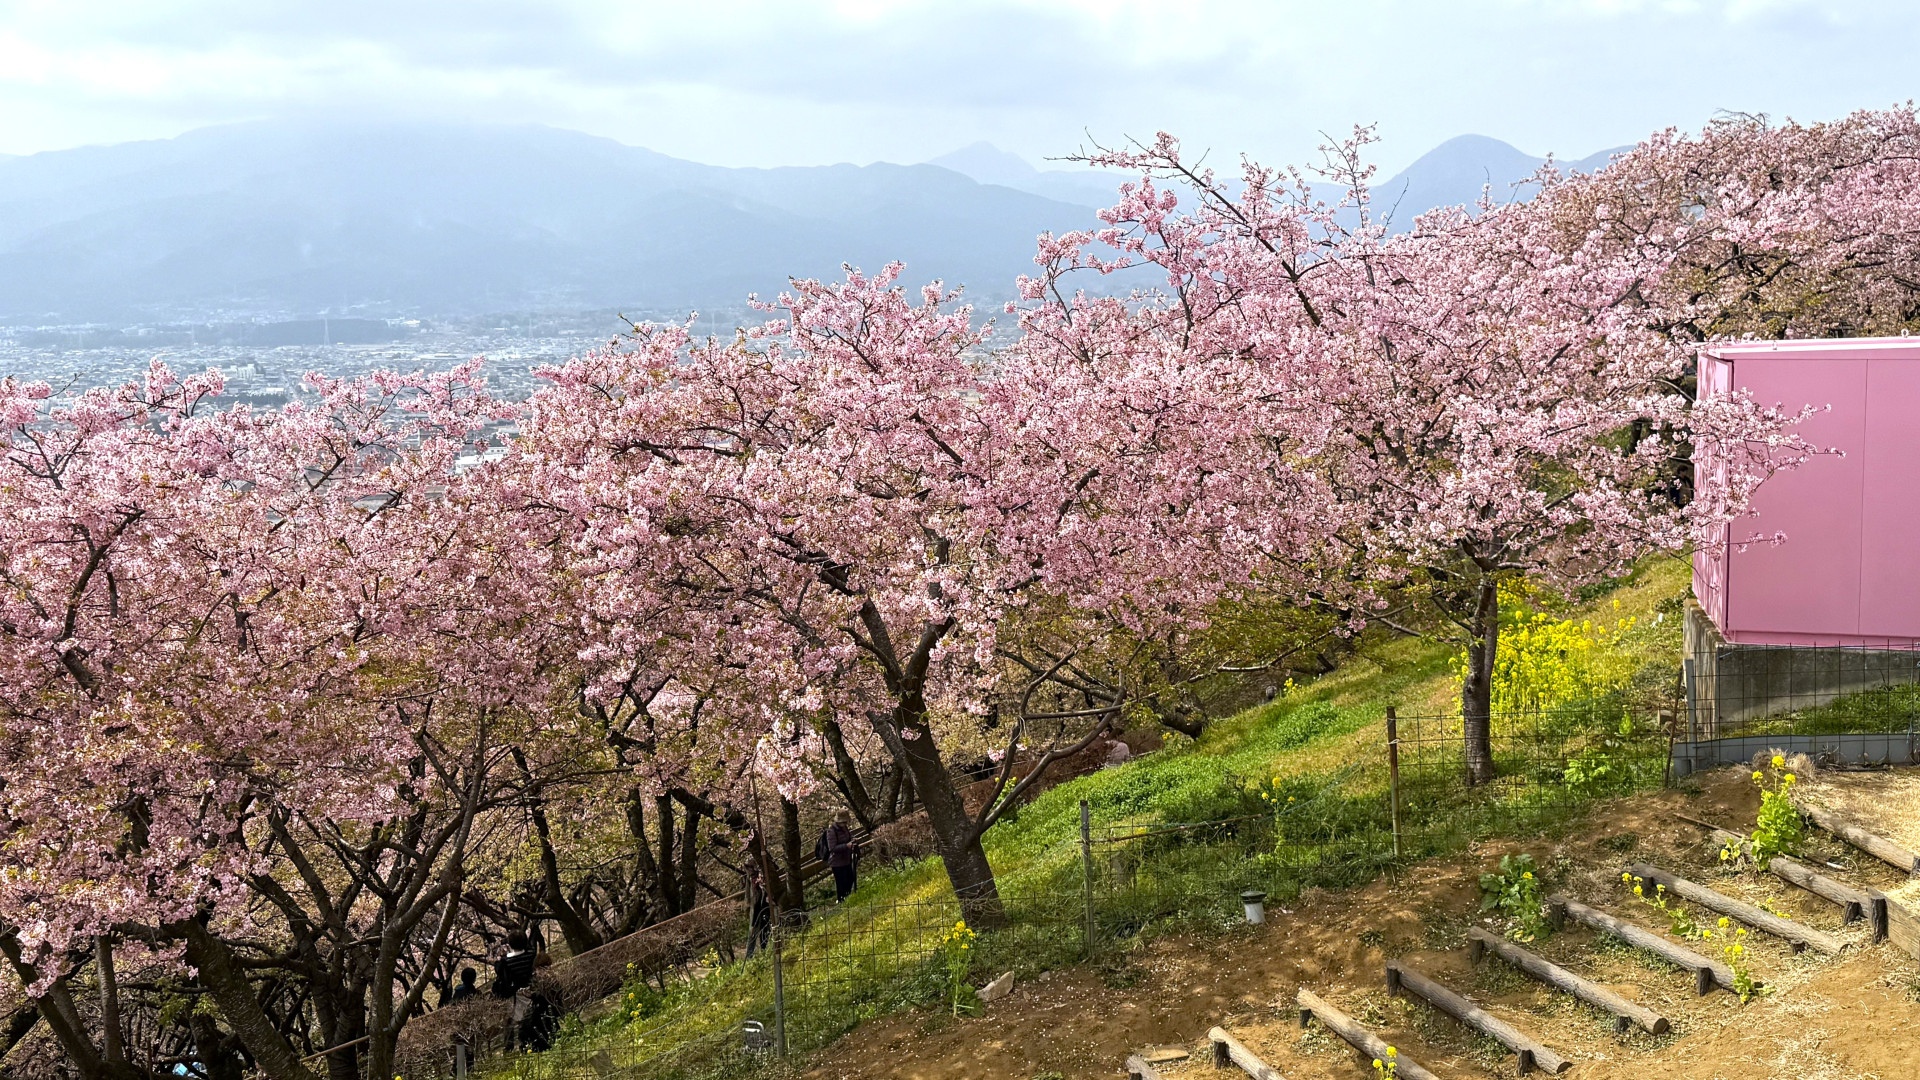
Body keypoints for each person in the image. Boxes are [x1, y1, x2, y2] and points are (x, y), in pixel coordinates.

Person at [491, 932, 537, 1049]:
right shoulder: (531, 956)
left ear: (510, 944)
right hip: (532, 991)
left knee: (512, 1022)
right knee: (531, 1018)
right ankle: (531, 1042)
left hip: (515, 995)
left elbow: (502, 978)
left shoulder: (505, 962)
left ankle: (510, 1048)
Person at [824, 812, 857, 902]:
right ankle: (842, 900)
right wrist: (846, 846)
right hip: (837, 862)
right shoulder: (831, 831)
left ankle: (848, 897)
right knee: (841, 883)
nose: (845, 824)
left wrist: (852, 841)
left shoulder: (845, 828)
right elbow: (832, 848)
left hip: (846, 859)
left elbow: (848, 837)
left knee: (850, 879)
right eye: (844, 822)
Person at [745, 861, 772, 957]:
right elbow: (748, 894)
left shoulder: (763, 875)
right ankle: (749, 956)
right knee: (752, 933)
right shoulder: (749, 878)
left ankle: (765, 953)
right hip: (755, 908)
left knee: (765, 931)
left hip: (765, 906)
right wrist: (747, 906)